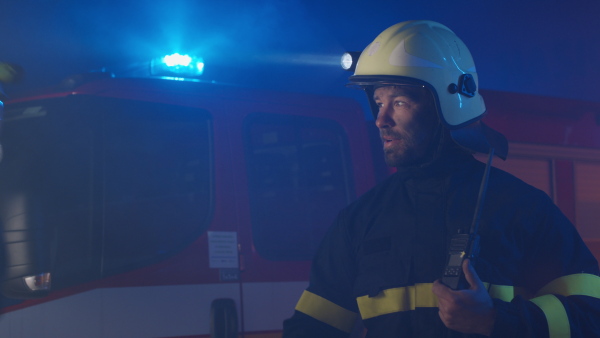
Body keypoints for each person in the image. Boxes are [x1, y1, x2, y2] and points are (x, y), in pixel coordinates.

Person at [282, 20, 600, 337]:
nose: (380, 120)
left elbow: (591, 317)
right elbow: (311, 329)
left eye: (400, 102)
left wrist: (497, 320)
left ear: (446, 105)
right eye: (378, 102)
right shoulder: (359, 221)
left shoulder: (523, 209)